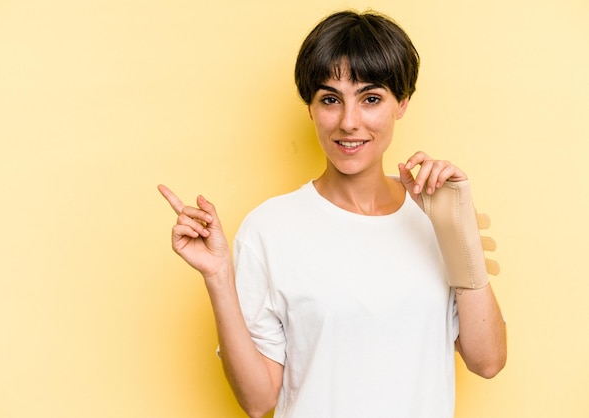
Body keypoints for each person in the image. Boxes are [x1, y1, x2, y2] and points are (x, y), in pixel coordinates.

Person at [158, 10, 506, 418]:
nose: (348, 122)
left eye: (371, 98)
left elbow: (487, 361)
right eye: (330, 100)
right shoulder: (269, 229)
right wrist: (218, 277)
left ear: (402, 103)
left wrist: (458, 236)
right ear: (310, 108)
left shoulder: (436, 217)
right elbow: (258, 401)